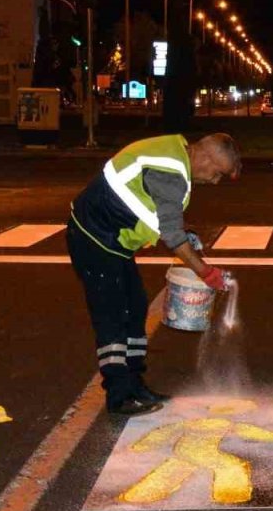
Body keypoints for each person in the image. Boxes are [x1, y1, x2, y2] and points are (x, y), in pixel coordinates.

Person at [66, 133, 242, 416]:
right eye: (217, 174)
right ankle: (119, 395)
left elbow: (161, 217)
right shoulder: (170, 173)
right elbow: (172, 236)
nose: (214, 181)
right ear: (206, 158)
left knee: (135, 309)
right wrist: (206, 273)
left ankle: (135, 385)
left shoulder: (173, 152)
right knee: (113, 316)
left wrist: (187, 237)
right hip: (94, 238)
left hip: (113, 241)